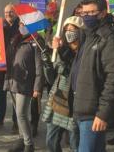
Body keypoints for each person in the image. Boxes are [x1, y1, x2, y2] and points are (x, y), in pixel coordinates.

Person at [73, 0, 114, 152]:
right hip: (82, 107)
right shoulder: (89, 34)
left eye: (92, 13)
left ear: (103, 13)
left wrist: (103, 113)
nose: (87, 17)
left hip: (94, 112)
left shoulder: (109, 38)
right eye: (84, 13)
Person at [42, 16, 84, 152]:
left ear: (80, 31)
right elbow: (51, 78)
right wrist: (47, 61)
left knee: (75, 143)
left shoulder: (84, 51)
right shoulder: (62, 49)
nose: (69, 32)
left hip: (74, 101)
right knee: (51, 140)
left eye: (72, 29)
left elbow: (72, 72)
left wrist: (60, 51)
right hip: (58, 99)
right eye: (66, 29)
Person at [5, 23, 44, 152]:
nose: (22, 25)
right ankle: (21, 140)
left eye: (25, 23)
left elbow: (39, 65)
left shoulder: (36, 40)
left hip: (26, 82)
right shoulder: (16, 39)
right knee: (18, 113)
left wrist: (37, 86)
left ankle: (29, 144)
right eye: (21, 23)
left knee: (21, 113)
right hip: (13, 80)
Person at [0, 4, 20, 132]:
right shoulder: (0, 25)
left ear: (16, 13)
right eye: (6, 12)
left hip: (16, 65)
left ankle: (16, 122)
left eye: (11, 12)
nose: (8, 14)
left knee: (15, 96)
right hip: (1, 66)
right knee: (0, 94)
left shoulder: (20, 26)